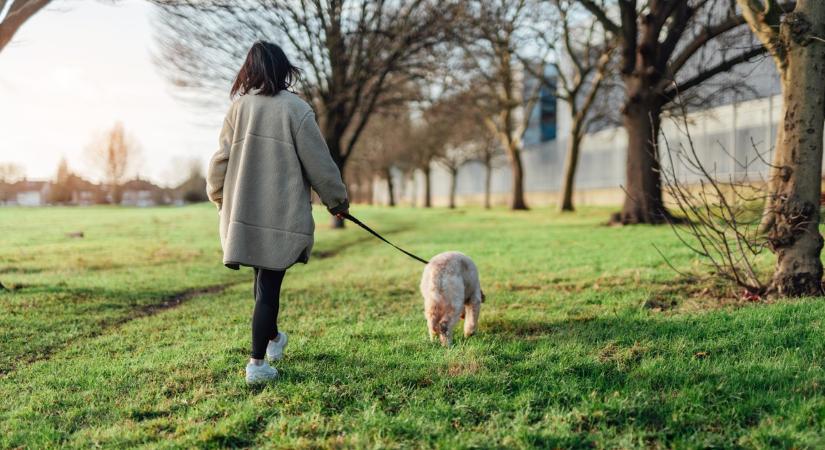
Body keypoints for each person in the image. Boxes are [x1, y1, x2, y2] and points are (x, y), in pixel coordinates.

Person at [206, 41, 349, 385]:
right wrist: (337, 200)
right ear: (283, 69)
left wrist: (218, 197)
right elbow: (319, 163)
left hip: (244, 214)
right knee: (268, 288)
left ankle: (273, 340)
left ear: (249, 71)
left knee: (262, 285)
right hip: (281, 215)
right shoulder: (295, 110)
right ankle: (257, 364)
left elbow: (218, 163)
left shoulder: (238, 109)